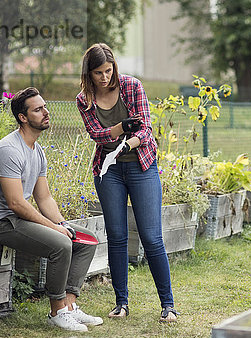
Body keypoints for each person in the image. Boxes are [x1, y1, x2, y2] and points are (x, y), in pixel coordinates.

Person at [0, 87, 103, 332]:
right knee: (61, 244)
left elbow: (44, 198)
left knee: (87, 239)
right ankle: (57, 311)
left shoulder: (38, 151)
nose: (46, 112)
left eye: (45, 107)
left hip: (18, 219)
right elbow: (15, 203)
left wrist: (63, 224)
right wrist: (55, 229)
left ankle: (69, 305)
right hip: (1, 222)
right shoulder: (9, 150)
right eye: (38, 109)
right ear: (22, 117)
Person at [76, 43, 178, 322]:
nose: (104, 77)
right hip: (109, 172)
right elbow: (98, 136)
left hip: (141, 166)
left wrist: (126, 143)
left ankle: (168, 305)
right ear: (89, 73)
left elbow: (145, 129)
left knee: (151, 237)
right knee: (117, 237)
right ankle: (121, 303)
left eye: (108, 71)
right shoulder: (84, 100)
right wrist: (122, 127)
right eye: (98, 73)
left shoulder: (131, 86)